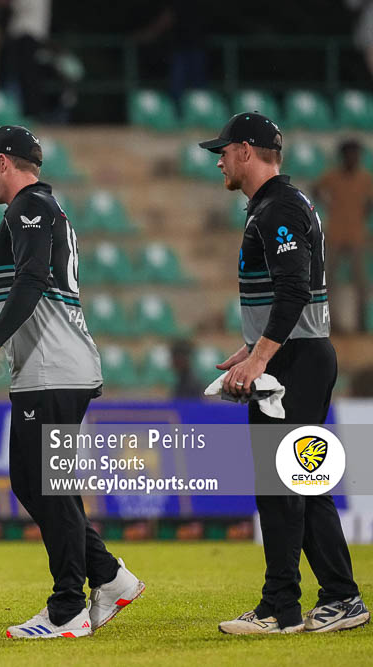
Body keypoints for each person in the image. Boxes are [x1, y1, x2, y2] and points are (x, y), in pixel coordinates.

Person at [0, 126, 144, 639]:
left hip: (52, 371)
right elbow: (22, 299)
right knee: (35, 483)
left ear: (4, 162)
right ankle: (108, 576)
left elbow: (34, 282)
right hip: (53, 369)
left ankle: (67, 609)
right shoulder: (41, 209)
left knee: (47, 487)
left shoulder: (28, 207)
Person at [200, 112, 370, 635]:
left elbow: (295, 290)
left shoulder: (279, 208)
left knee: (280, 487)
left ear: (246, 151)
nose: (220, 161)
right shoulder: (279, 205)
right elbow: (288, 295)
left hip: (294, 361)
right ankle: (341, 597)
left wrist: (261, 359)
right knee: (303, 483)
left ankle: (280, 607)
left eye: (224, 151)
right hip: (297, 355)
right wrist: (252, 348)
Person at [315, 139, 373, 332]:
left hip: (356, 236)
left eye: (356, 155)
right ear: (343, 157)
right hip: (336, 235)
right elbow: (316, 189)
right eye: (350, 154)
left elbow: (370, 202)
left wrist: (363, 212)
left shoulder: (365, 178)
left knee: (361, 283)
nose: (353, 158)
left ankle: (362, 323)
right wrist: (327, 204)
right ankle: (330, 322)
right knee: (329, 282)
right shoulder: (333, 176)